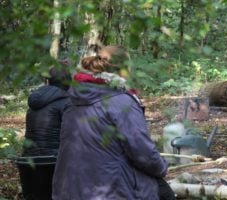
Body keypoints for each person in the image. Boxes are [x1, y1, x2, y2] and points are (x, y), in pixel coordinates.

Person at [52, 46, 171, 200]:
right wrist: (162, 167)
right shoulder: (121, 102)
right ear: (123, 70)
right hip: (111, 191)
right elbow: (142, 153)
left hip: (69, 189)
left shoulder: (71, 99)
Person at [18, 65, 71, 200]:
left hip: (29, 160)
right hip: (55, 162)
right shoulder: (67, 102)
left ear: (48, 80)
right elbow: (72, 136)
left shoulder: (35, 101)